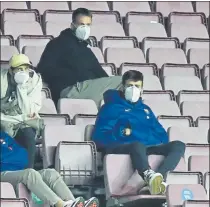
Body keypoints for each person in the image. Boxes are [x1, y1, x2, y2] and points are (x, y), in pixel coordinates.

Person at [92, 70, 186, 195]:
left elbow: (161, 134)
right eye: (130, 86)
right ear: (123, 87)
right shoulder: (110, 107)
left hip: (146, 147)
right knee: (137, 144)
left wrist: (152, 140)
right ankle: (148, 175)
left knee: (178, 145)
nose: (133, 89)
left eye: (137, 86)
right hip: (121, 146)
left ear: (142, 89)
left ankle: (159, 178)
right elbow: (99, 136)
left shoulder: (145, 110)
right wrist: (120, 133)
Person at [37, 8, 121, 106]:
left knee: (129, 84)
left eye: (88, 25)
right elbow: (43, 70)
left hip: (87, 88)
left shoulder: (86, 50)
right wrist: (72, 76)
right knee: (124, 81)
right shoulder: (57, 43)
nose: (85, 28)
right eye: (82, 24)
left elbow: (101, 74)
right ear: (73, 25)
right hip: (70, 89)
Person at [0, 131, 99, 207]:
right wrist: (10, 157)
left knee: (50, 173)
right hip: (2, 174)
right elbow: (17, 156)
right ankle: (59, 204)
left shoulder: (3, 135)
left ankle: (71, 202)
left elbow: (24, 155)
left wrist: (7, 158)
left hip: (15, 171)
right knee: (30, 173)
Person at [1, 54, 44, 168]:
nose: (23, 72)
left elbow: (28, 110)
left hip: (23, 120)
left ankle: (29, 171)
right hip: (3, 119)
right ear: (11, 71)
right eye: (19, 69)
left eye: (26, 68)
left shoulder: (34, 81)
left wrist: (21, 87)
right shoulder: (2, 79)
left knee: (28, 134)